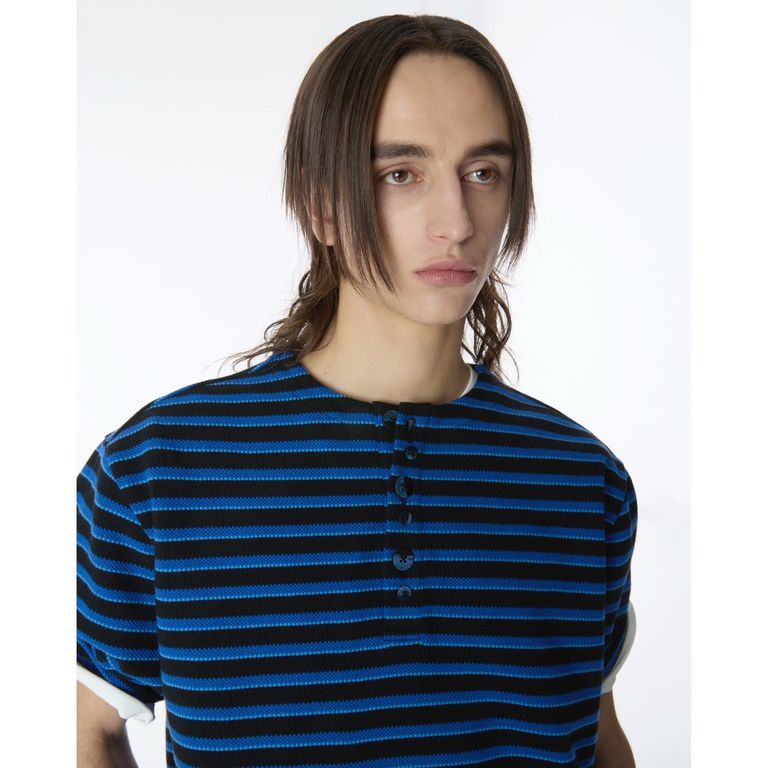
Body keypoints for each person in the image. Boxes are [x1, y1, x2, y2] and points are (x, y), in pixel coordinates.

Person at [77, 13, 638, 768]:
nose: (456, 223)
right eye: (400, 174)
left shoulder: (582, 480)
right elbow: (84, 727)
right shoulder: (156, 468)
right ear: (321, 202)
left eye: (483, 172)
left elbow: (597, 736)